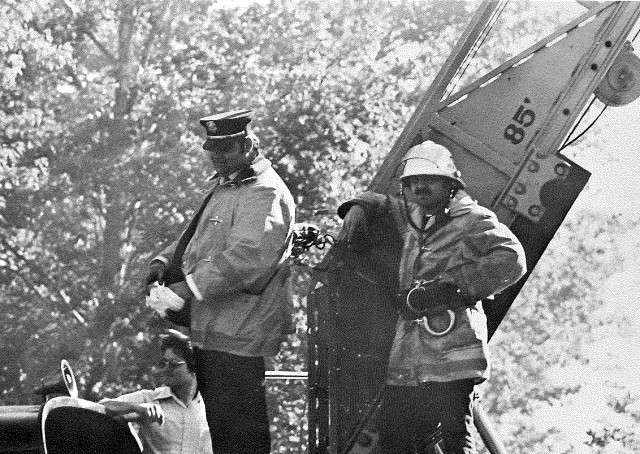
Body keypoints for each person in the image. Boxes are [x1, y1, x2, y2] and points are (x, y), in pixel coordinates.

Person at [337, 140, 527, 454]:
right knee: (395, 436)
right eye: (412, 183)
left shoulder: (473, 219)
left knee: (454, 435)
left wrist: (452, 287)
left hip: (454, 346)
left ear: (451, 186)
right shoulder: (415, 221)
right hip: (411, 352)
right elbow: (383, 202)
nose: (420, 187)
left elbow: (512, 259)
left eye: (430, 180)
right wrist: (359, 206)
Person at [145, 109, 296, 454]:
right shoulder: (229, 186)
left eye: (226, 149)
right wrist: (163, 262)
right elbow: (197, 238)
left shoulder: (264, 192)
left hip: (241, 333)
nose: (218, 157)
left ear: (247, 145)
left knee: (242, 436)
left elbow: (246, 259)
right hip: (216, 330)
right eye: (213, 150)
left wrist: (184, 289)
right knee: (226, 434)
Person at [100, 330, 213, 454]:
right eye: (163, 363)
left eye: (174, 364)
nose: (166, 369)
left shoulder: (213, 407)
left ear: (194, 366)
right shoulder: (149, 399)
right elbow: (99, 407)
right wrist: (135, 407)